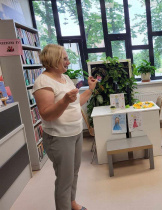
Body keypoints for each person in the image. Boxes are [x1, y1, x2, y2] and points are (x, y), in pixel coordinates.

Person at [33, 44, 97, 210]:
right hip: (59, 137)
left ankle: (71, 202)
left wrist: (90, 90)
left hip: (75, 133)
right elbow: (47, 114)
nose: (68, 62)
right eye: (65, 58)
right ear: (54, 60)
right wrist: (64, 101)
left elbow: (75, 103)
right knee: (64, 178)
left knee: (73, 173)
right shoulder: (43, 82)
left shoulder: (65, 78)